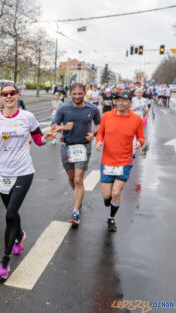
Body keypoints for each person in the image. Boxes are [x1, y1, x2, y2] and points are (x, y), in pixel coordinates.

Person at [0, 82, 69, 279]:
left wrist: (46, 137)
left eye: (12, 93)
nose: (9, 97)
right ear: (0, 98)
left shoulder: (27, 117)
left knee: (10, 214)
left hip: (23, 171)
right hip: (2, 173)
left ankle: (5, 261)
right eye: (5, 94)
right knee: (12, 211)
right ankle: (19, 235)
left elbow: (37, 140)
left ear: (18, 95)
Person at [52, 82, 101, 226]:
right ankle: (78, 196)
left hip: (83, 147)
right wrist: (63, 127)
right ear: (70, 94)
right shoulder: (63, 108)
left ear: (84, 93)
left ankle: (75, 211)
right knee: (72, 178)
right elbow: (53, 126)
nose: (77, 96)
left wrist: (94, 133)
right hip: (66, 147)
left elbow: (99, 123)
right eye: (75, 94)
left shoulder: (92, 108)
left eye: (80, 93)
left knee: (79, 179)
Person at [95, 91, 145, 232]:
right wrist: (98, 142)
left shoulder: (136, 119)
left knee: (116, 193)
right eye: (119, 100)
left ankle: (111, 218)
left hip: (125, 161)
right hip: (107, 161)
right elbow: (100, 133)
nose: (121, 103)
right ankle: (109, 200)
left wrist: (140, 142)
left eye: (125, 100)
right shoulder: (106, 116)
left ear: (130, 103)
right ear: (116, 101)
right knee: (107, 195)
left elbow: (141, 137)